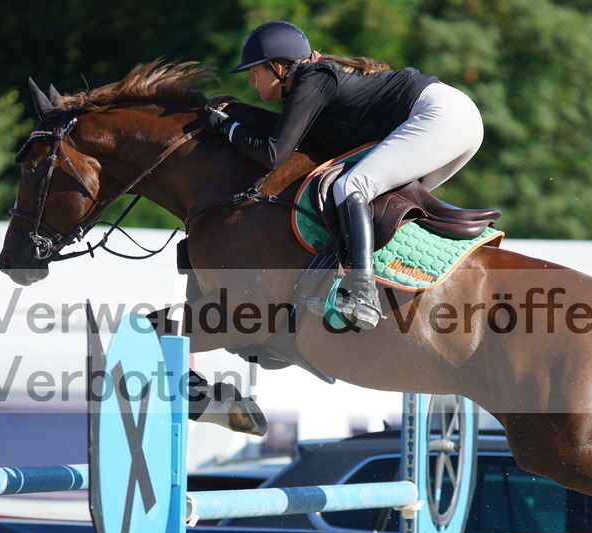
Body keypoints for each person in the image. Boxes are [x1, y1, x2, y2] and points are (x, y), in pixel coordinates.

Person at [204, 20, 484, 330]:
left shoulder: (311, 78)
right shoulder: (312, 80)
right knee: (381, 204)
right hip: (458, 118)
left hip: (441, 115)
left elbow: (273, 154)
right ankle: (385, 285)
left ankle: (363, 294)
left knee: (352, 186)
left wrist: (227, 127)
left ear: (279, 68)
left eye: (254, 71)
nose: (251, 80)